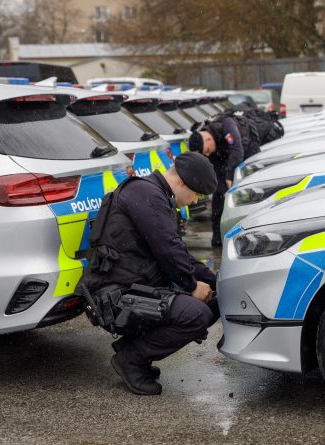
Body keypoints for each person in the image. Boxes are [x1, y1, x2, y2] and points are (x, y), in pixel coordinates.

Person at [78, 152, 219, 396]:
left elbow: (178, 252)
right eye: (196, 193)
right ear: (183, 182)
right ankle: (132, 360)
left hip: (135, 287)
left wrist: (214, 280)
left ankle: (133, 348)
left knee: (215, 298)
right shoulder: (147, 195)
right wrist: (192, 286)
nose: (196, 201)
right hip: (117, 296)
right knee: (195, 315)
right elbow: (169, 251)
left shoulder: (154, 194)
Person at [188, 114, 260, 247]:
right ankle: (218, 238)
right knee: (219, 195)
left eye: (207, 151)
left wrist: (228, 175)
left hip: (248, 151)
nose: (207, 154)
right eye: (205, 154)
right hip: (224, 158)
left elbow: (237, 150)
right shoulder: (210, 144)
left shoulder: (227, 125)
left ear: (209, 139)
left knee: (250, 194)